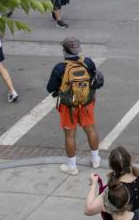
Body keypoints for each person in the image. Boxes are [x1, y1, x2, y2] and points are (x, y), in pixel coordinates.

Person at [46, 37, 101, 175]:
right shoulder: (88, 62)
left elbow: (50, 88)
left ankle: (72, 166)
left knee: (70, 135)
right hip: (86, 103)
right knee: (90, 129)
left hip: (68, 107)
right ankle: (95, 159)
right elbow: (97, 81)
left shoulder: (60, 67)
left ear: (65, 50)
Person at [83, 146, 139, 218]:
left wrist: (93, 184)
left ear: (111, 166)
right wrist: (138, 171)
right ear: (130, 160)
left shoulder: (114, 189)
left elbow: (88, 210)